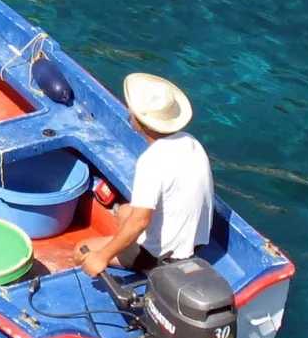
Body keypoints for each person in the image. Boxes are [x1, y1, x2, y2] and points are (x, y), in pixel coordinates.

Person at [80, 73, 214, 278]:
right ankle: (124, 242)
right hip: (195, 244)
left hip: (162, 258)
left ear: (139, 120)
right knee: (124, 210)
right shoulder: (192, 142)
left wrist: (102, 257)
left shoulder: (151, 161)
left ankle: (129, 258)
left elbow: (140, 221)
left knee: (81, 250)